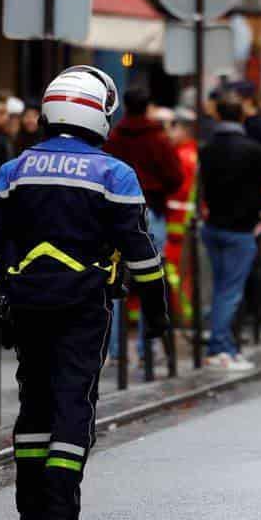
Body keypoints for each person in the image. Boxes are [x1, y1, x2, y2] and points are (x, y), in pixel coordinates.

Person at [0, 66, 170, 520]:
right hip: (84, 306)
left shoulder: (15, 170)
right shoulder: (114, 173)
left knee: (34, 400)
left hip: (24, 304)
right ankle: (62, 504)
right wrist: (156, 312)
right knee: (73, 399)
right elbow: (141, 254)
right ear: (98, 116)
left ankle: (29, 504)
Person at [104, 88, 184, 360]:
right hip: (152, 209)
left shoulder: (113, 137)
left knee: (114, 279)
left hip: (114, 213)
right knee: (150, 276)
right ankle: (146, 346)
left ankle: (113, 349)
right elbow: (175, 176)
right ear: (147, 107)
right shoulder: (158, 139)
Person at [198, 98, 261, 369]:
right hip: (240, 229)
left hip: (213, 225)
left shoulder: (207, 148)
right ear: (241, 117)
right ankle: (220, 349)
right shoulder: (252, 150)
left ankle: (225, 345)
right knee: (230, 293)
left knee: (221, 290)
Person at [159, 106, 199, 323]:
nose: (169, 133)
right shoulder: (192, 153)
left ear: (184, 129)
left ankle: (181, 316)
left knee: (175, 274)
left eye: (173, 128)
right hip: (183, 223)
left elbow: (178, 190)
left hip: (176, 223)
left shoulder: (183, 157)